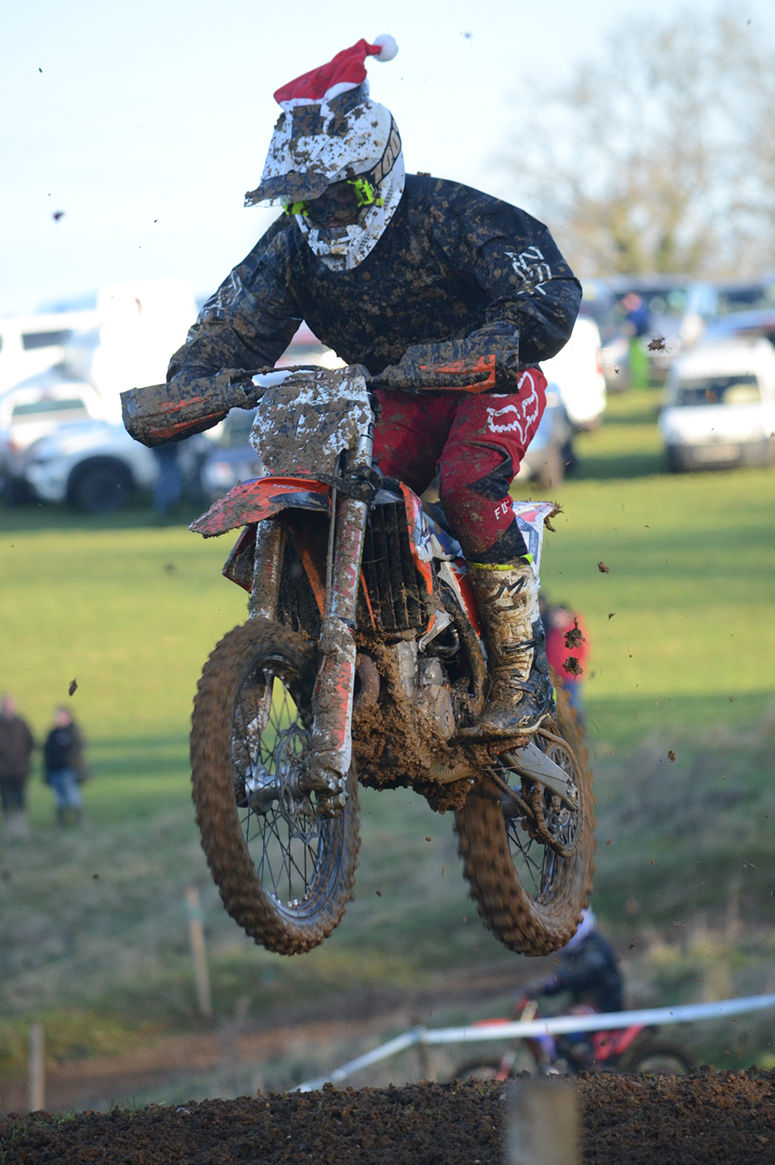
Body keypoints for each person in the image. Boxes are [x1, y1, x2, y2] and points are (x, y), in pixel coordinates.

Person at [153, 37, 582, 738]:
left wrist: (502, 337)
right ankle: (360, 650)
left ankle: (518, 671)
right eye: (305, 202)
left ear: (381, 171)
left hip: (491, 380)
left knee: (468, 481)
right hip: (394, 395)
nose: (325, 216)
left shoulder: (448, 213)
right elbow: (230, 325)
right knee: (332, 492)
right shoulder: (291, 248)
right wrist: (196, 380)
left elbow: (547, 286)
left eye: (342, 196)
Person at [528, 907, 624, 1014]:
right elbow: (564, 981)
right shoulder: (575, 950)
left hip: (605, 1010)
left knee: (571, 1016)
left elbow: (589, 967)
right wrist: (536, 990)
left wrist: (558, 979)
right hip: (583, 1006)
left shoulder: (595, 945)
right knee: (552, 1016)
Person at [0, 693, 34, 839]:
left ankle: (22, 830)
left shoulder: (21, 724)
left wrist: (24, 761)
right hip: (2, 772)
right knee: (5, 801)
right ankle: (9, 831)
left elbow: (30, 743)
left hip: (20, 770)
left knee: (21, 800)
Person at [541, 600, 590, 726]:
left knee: (573, 704)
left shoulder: (574, 631)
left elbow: (582, 651)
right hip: (555, 677)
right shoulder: (552, 632)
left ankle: (578, 728)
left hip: (570, 676)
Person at [43, 707, 87, 826]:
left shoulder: (73, 731)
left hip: (69, 770)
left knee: (73, 795)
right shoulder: (53, 733)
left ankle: (79, 821)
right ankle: (62, 822)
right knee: (59, 798)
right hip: (55, 770)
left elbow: (77, 749)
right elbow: (47, 751)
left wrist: (69, 762)